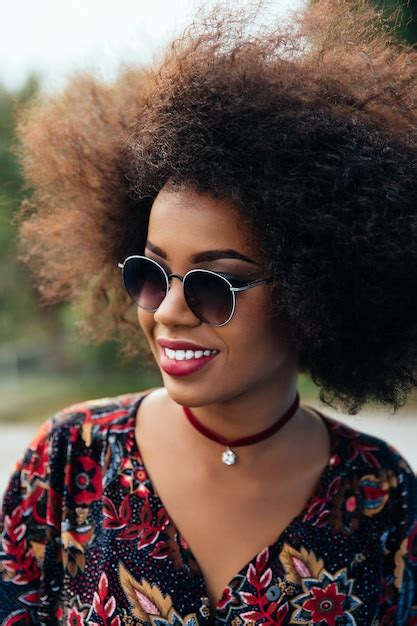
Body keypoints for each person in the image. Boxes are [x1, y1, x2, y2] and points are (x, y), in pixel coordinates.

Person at [2, 0, 417, 623]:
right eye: (150, 273)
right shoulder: (69, 459)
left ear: (317, 294)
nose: (168, 311)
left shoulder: (381, 495)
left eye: (214, 285)